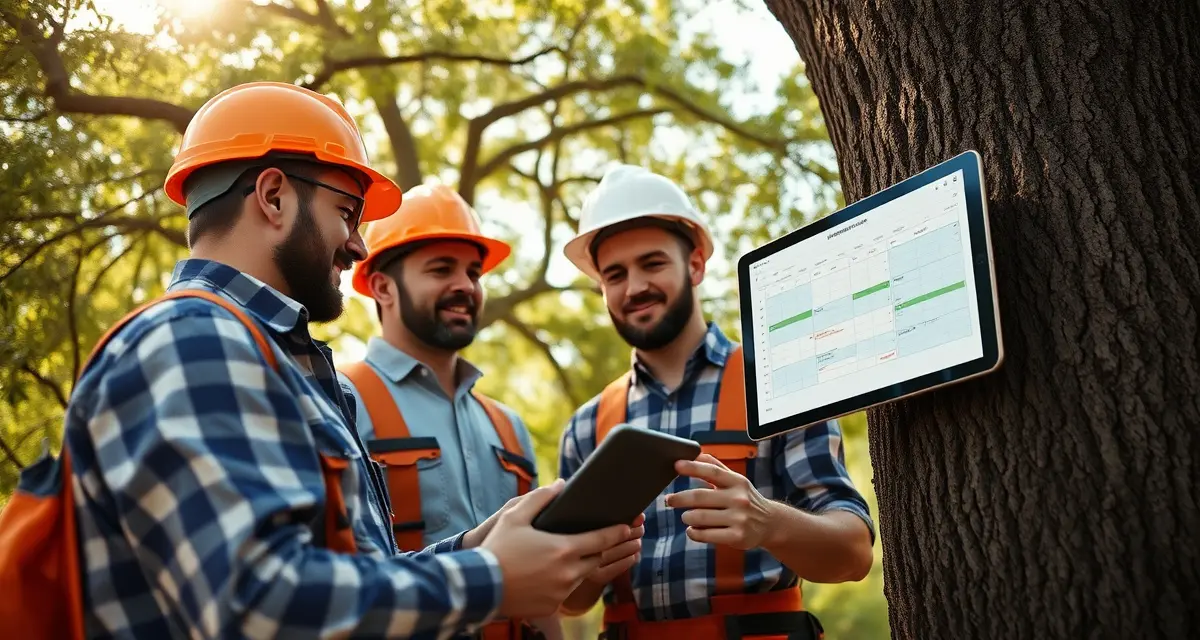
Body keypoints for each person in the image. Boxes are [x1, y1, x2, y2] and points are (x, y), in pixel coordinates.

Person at [60, 81, 641, 638]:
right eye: (347, 212)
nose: (360, 245)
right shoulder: (195, 339)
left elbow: (350, 573)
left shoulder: (277, 360)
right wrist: (490, 578)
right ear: (273, 196)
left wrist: (478, 547)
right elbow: (257, 606)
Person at [555, 164, 875, 639]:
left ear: (696, 265)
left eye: (653, 263)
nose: (635, 286)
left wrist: (768, 523)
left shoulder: (775, 384)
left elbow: (853, 554)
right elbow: (570, 601)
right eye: (615, 274)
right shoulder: (586, 428)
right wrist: (588, 567)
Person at [337, 182, 563, 639]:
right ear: (382, 287)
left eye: (474, 273)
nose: (465, 286)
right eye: (441, 270)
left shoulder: (508, 428)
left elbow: (542, 588)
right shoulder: (339, 400)